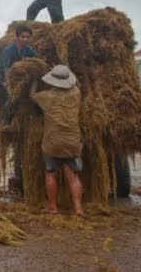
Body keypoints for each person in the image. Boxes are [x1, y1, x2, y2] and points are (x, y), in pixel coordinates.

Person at [30, 65, 84, 216]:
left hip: (52, 142)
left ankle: (53, 207)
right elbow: (75, 84)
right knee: (73, 176)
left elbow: (32, 95)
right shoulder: (76, 93)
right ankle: (78, 208)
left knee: (51, 174)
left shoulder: (46, 97)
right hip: (72, 141)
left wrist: (34, 80)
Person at [0, 24, 36, 125]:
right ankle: (5, 123)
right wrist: (10, 87)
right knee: (10, 101)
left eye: (27, 37)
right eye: (22, 37)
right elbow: (7, 70)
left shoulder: (30, 51)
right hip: (3, 79)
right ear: (17, 37)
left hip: (19, 79)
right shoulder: (8, 51)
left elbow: (33, 65)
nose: (25, 39)